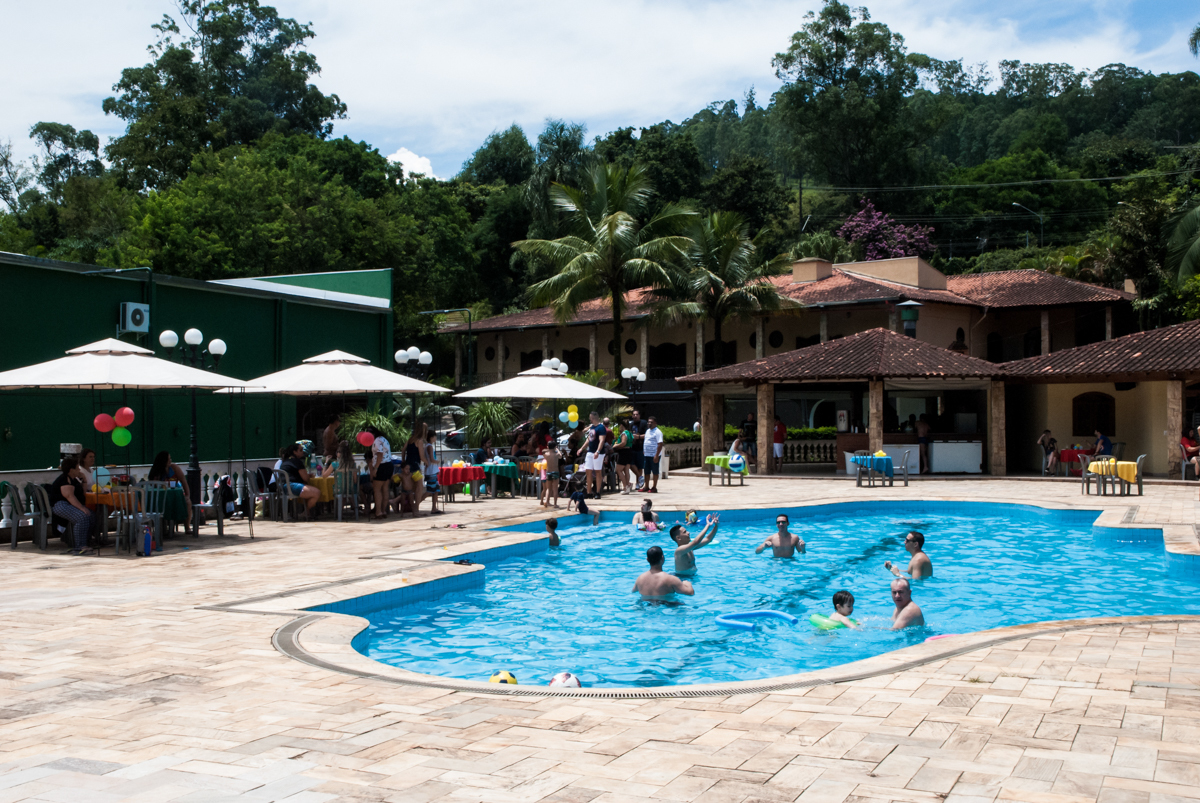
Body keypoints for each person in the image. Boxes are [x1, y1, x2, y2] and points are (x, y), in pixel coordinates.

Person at [49, 456, 95, 555]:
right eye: (77, 468)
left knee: (91, 515)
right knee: (82, 516)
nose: (79, 470)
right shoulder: (64, 480)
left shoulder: (74, 479)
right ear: (71, 470)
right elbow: (70, 496)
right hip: (60, 505)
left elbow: (81, 493)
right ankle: (79, 546)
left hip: (69, 504)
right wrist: (82, 508)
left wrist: (84, 480)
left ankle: (86, 542)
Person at [149, 450, 192, 528]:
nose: (170, 461)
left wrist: (187, 495)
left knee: (188, 502)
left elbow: (183, 481)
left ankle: (187, 527)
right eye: (168, 459)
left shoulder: (174, 468)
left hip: (175, 494)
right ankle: (161, 527)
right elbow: (153, 484)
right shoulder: (156, 471)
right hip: (161, 496)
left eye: (170, 458)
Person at [280, 442, 321, 520]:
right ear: (295, 452)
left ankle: (308, 513)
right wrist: (308, 476)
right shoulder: (297, 462)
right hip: (291, 486)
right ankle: (306, 512)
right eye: (301, 450)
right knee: (316, 492)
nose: (303, 452)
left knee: (310, 490)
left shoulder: (286, 461)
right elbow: (305, 478)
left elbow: (293, 474)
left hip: (283, 487)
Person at [397, 424, 427, 516]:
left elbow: (403, 450)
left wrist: (403, 461)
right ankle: (416, 509)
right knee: (419, 487)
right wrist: (428, 463)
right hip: (415, 466)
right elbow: (421, 457)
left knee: (410, 489)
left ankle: (395, 501)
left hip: (408, 465)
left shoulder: (410, 439)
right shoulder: (419, 441)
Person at [576, 411, 607, 499]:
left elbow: (601, 440)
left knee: (598, 471)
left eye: (591, 418)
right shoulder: (592, 427)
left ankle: (597, 492)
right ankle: (589, 492)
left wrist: (598, 451)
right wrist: (582, 448)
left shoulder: (601, 428)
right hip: (590, 451)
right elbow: (589, 439)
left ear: (594, 418)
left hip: (598, 453)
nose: (590, 419)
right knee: (588, 471)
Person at [368, 427, 394, 519]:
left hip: (381, 466)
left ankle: (378, 511)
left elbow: (379, 454)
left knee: (377, 490)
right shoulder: (384, 439)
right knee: (385, 489)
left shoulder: (377, 441)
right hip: (389, 465)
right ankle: (383, 511)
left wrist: (375, 468)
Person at [642, 416, 664, 493]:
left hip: (654, 455)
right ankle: (646, 486)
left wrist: (656, 455)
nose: (649, 423)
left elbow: (660, 444)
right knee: (646, 471)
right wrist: (644, 450)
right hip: (647, 455)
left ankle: (654, 487)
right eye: (649, 422)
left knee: (655, 471)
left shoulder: (658, 432)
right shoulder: (647, 431)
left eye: (651, 422)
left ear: (655, 423)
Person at [611, 421, 634, 494]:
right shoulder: (629, 433)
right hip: (629, 451)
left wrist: (615, 446)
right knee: (626, 470)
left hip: (624, 452)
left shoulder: (624, 433)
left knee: (618, 470)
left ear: (622, 425)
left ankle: (625, 486)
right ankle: (627, 486)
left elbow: (623, 443)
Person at [628, 410, 648, 490]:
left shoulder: (643, 423)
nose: (635, 416)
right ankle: (640, 477)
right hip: (632, 447)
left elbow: (647, 434)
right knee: (631, 464)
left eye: (636, 414)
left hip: (640, 448)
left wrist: (638, 437)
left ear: (639, 415)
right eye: (634, 415)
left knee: (640, 466)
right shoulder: (631, 424)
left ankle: (638, 483)